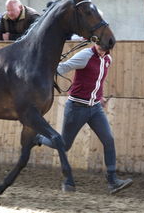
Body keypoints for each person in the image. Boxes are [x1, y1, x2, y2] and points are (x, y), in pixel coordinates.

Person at [35, 43, 133, 195]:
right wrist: (48, 65)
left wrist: (99, 98)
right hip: (77, 108)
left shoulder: (107, 59)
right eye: (99, 44)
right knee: (65, 145)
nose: (100, 47)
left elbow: (97, 81)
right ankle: (39, 138)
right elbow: (63, 68)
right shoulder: (85, 55)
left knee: (108, 140)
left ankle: (113, 181)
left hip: (95, 108)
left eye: (104, 46)